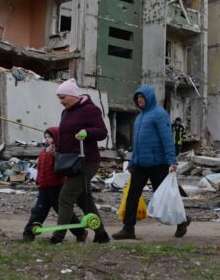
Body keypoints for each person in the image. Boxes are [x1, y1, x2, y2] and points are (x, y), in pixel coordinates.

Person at [112, 85, 191, 240]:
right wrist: (132, 162)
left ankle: (182, 220)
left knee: (163, 197)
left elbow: (167, 139)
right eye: (137, 98)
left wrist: (172, 161)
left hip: (158, 164)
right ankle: (128, 229)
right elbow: (137, 143)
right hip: (140, 165)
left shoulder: (159, 114)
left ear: (149, 98)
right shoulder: (140, 117)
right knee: (132, 195)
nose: (140, 100)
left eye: (142, 97)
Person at [50, 78, 110, 244]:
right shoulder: (66, 112)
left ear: (73, 95)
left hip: (86, 161)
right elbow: (66, 135)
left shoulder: (90, 110)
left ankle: (58, 237)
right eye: (59, 98)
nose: (61, 102)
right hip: (71, 161)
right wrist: (57, 148)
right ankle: (101, 235)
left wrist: (86, 132)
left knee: (65, 197)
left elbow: (102, 132)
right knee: (84, 199)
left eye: (63, 97)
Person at [22, 127, 86, 242]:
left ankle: (80, 232)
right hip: (44, 188)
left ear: (56, 138)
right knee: (38, 211)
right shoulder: (43, 153)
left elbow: (63, 166)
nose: (47, 139)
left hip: (56, 188)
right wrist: (38, 181)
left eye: (50, 137)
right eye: (45, 137)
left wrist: (54, 154)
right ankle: (29, 233)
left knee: (65, 213)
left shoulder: (59, 152)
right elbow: (40, 169)